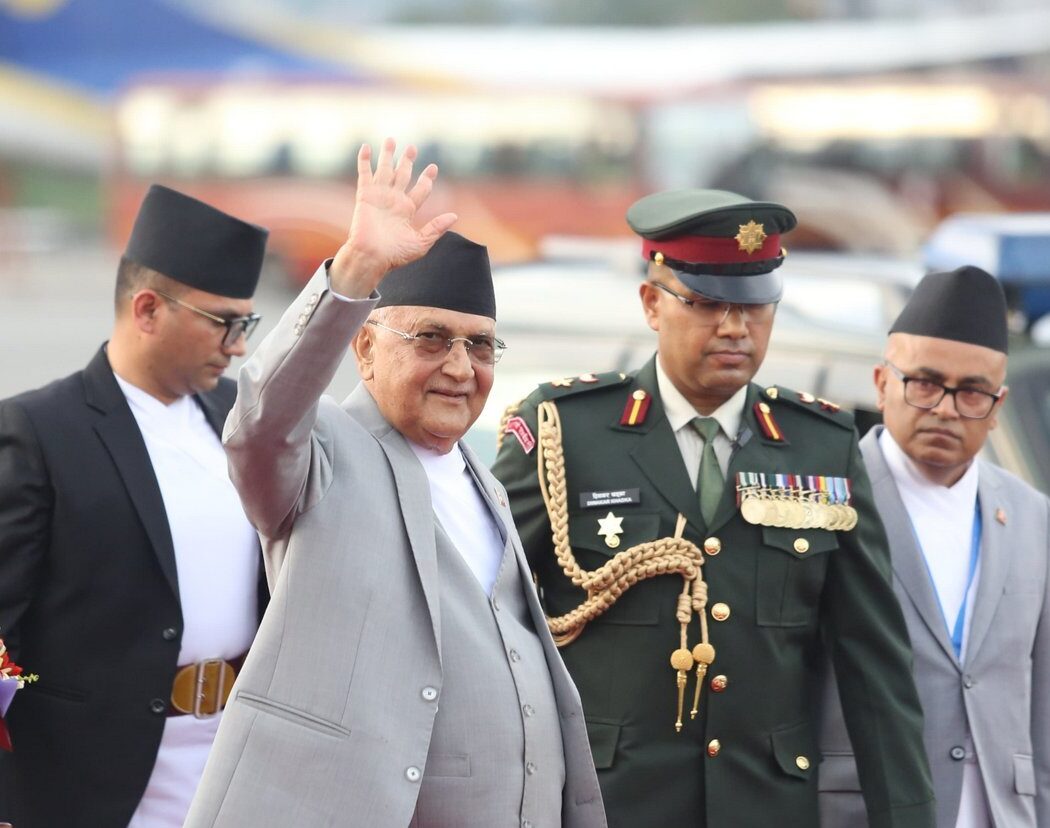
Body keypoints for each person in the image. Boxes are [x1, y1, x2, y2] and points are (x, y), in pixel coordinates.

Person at [184, 139, 605, 828]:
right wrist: (354, 269)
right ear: (366, 348)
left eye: (479, 345)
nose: (460, 368)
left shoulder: (485, 482)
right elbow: (262, 423)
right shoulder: (323, 451)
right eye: (431, 339)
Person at [492, 188, 936, 827]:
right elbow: (488, 617)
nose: (734, 328)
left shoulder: (821, 445)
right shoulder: (565, 434)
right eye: (705, 304)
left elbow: (874, 668)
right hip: (611, 806)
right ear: (652, 303)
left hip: (766, 807)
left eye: (754, 306)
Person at [0, 185, 269, 827]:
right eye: (223, 322)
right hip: (90, 783)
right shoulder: (40, 431)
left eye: (246, 325)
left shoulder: (243, 418)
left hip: (234, 764)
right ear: (147, 309)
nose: (237, 346)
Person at [818, 265, 1050, 827]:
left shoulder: (1031, 516)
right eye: (924, 383)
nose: (946, 408)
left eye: (972, 392)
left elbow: (1041, 709)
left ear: (997, 407)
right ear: (882, 384)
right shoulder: (825, 504)